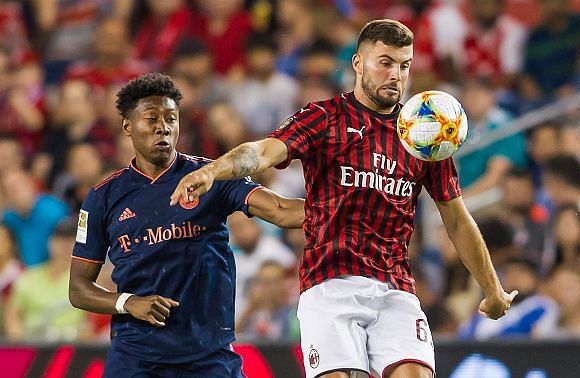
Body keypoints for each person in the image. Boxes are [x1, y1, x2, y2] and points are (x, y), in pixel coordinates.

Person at [171, 19, 517, 378]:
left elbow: (458, 220)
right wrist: (214, 170)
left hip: (394, 287)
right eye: (385, 62)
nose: (396, 75)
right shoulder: (324, 118)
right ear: (357, 63)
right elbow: (262, 153)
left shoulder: (423, 137)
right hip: (329, 285)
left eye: (404, 65)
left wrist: (493, 290)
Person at [68, 73, 304, 377]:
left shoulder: (210, 176)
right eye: (151, 118)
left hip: (208, 353)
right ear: (127, 125)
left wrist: (350, 209)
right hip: (137, 356)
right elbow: (78, 289)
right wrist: (128, 303)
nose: (163, 127)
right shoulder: (104, 197)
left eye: (171, 118)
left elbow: (282, 211)